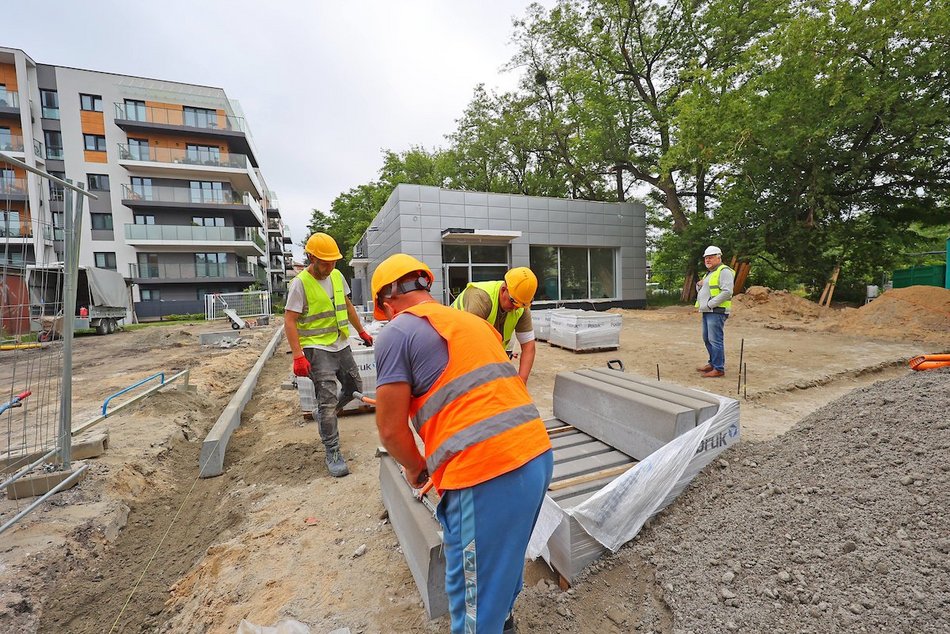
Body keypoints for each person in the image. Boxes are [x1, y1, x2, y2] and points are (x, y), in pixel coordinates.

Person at [371, 254, 553, 634]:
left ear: (386, 303)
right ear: (426, 288)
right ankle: (503, 621)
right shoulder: (472, 322)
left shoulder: (395, 332)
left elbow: (390, 432)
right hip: (536, 453)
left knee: (472, 600)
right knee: (503, 562)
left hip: (487, 472)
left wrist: (418, 467)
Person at [284, 232, 374, 477]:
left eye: (333, 261)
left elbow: (346, 305)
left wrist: (362, 331)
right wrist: (298, 355)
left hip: (340, 343)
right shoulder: (300, 284)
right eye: (325, 262)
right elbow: (290, 321)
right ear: (311, 257)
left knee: (354, 384)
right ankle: (333, 451)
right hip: (316, 347)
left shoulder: (336, 275)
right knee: (326, 398)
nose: (330, 266)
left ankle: (327, 414)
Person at [450, 267, 538, 384]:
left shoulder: (521, 307)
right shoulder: (480, 298)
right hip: (453, 348)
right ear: (503, 290)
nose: (515, 309)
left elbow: (528, 347)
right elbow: (471, 346)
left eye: (520, 305)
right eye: (513, 303)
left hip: (486, 351)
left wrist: (521, 382)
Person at [695, 245, 734, 378]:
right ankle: (712, 363)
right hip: (708, 311)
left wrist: (710, 304)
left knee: (715, 340)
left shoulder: (724, 271)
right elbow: (705, 290)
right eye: (706, 258)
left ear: (719, 257)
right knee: (707, 339)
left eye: (711, 257)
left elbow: (727, 292)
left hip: (716, 311)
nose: (708, 260)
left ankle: (718, 368)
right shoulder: (710, 273)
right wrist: (699, 285)